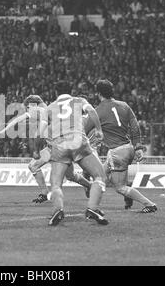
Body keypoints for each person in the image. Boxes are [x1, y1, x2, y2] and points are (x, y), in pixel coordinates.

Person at [0, 95, 92, 203]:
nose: (27, 111)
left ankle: (45, 193)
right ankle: (90, 185)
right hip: (59, 146)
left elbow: (21, 120)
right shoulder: (49, 110)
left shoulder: (41, 110)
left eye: (28, 108)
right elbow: (20, 119)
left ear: (33, 105)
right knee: (70, 175)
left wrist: (4, 131)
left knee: (34, 166)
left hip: (57, 148)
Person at [38, 81, 109, 226]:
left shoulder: (49, 108)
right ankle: (93, 208)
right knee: (100, 176)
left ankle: (58, 209)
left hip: (59, 145)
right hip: (78, 141)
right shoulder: (79, 100)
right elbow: (92, 112)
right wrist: (99, 130)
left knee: (56, 184)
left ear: (55, 93)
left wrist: (44, 145)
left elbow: (41, 131)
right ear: (71, 91)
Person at [95, 79, 157, 213]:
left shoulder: (98, 111)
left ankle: (149, 204)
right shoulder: (124, 105)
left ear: (98, 93)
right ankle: (94, 207)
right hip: (128, 148)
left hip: (117, 152)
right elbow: (134, 127)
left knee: (120, 187)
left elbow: (85, 129)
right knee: (100, 177)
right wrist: (138, 147)